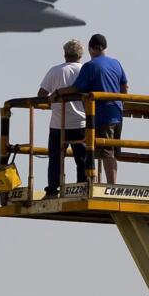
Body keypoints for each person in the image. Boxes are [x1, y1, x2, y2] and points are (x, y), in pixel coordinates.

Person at [53, 33, 128, 184]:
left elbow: (76, 88)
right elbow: (125, 87)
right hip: (117, 114)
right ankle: (111, 182)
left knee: (102, 151)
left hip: (101, 115)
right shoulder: (116, 63)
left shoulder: (90, 66)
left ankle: (107, 185)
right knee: (111, 151)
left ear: (91, 48)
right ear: (104, 48)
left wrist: (58, 92)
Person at [37, 38, 89, 196]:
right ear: (81, 54)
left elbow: (41, 95)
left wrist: (52, 103)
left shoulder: (55, 71)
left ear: (65, 53)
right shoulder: (85, 71)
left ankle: (52, 189)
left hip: (58, 123)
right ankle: (82, 188)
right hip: (80, 123)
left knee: (55, 158)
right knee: (82, 159)